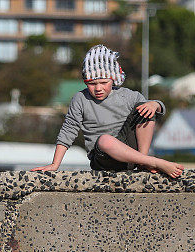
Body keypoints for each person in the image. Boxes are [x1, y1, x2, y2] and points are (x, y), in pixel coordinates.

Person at [32, 44, 184, 178]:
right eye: (92, 83)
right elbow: (68, 131)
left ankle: (142, 161)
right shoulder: (80, 99)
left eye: (104, 82)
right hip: (103, 158)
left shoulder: (127, 95)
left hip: (131, 155)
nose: (98, 88)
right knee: (105, 140)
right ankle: (152, 161)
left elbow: (158, 108)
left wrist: (154, 105)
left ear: (113, 79)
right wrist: (54, 164)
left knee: (145, 108)